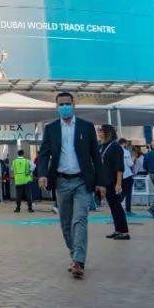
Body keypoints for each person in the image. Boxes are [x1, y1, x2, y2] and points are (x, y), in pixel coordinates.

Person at [37, 91, 104, 279]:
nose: (64, 107)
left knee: (79, 219)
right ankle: (75, 255)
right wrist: (42, 174)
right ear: (56, 106)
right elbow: (44, 154)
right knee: (66, 223)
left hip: (82, 181)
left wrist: (101, 183)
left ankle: (78, 261)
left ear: (74, 105)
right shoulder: (51, 129)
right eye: (61, 104)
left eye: (67, 103)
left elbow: (95, 156)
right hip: (61, 182)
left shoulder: (86, 127)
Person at [99, 125, 129, 240]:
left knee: (117, 206)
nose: (99, 133)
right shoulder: (102, 146)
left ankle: (124, 231)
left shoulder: (115, 147)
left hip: (114, 181)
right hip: (107, 181)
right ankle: (118, 229)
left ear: (107, 132)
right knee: (113, 207)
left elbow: (119, 167)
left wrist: (118, 184)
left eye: (101, 131)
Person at [12, 148, 34, 213]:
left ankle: (18, 208)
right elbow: (34, 166)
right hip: (27, 180)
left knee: (18, 195)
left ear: (18, 154)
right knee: (28, 194)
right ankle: (30, 208)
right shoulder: (27, 161)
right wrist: (30, 171)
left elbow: (12, 169)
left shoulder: (14, 162)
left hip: (18, 180)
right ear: (23, 154)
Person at [123, 146, 140, 214]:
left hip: (120, 175)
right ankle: (128, 209)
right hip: (127, 175)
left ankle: (125, 208)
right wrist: (133, 158)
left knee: (122, 192)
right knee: (127, 193)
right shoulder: (126, 152)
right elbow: (130, 164)